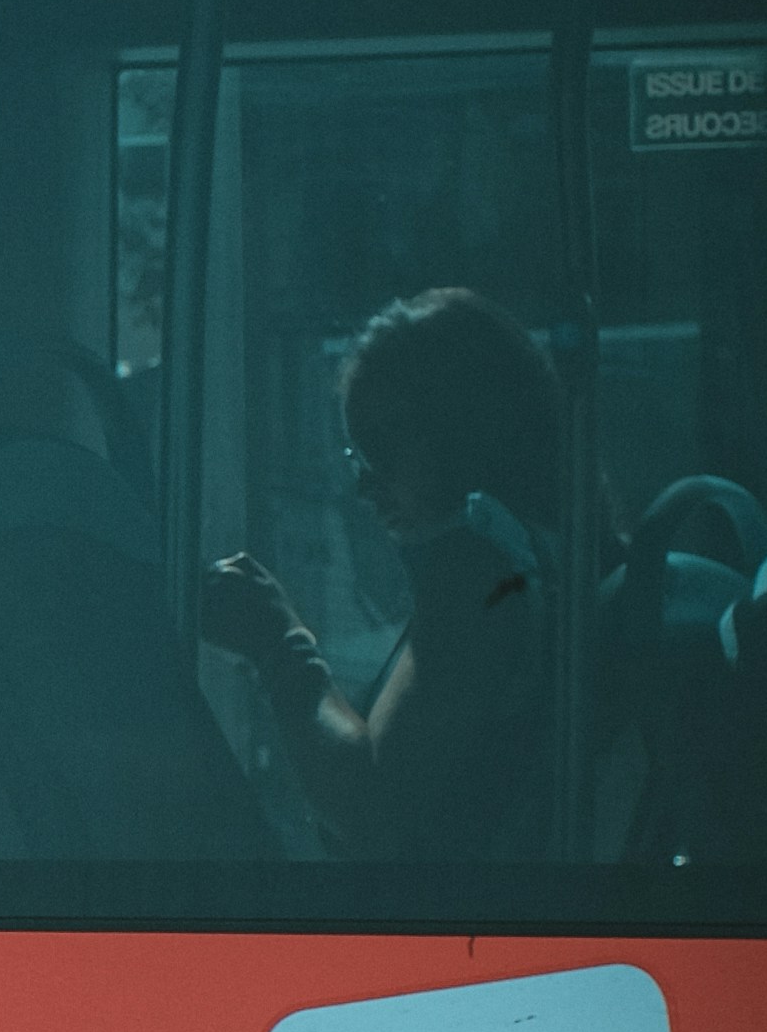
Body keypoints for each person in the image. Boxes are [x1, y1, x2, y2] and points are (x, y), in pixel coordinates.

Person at [201, 283, 576, 855]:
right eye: (356, 452)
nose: (363, 481)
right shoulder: (555, 553)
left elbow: (376, 810)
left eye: (382, 443)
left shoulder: (483, 570)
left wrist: (279, 644)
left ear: (462, 425)